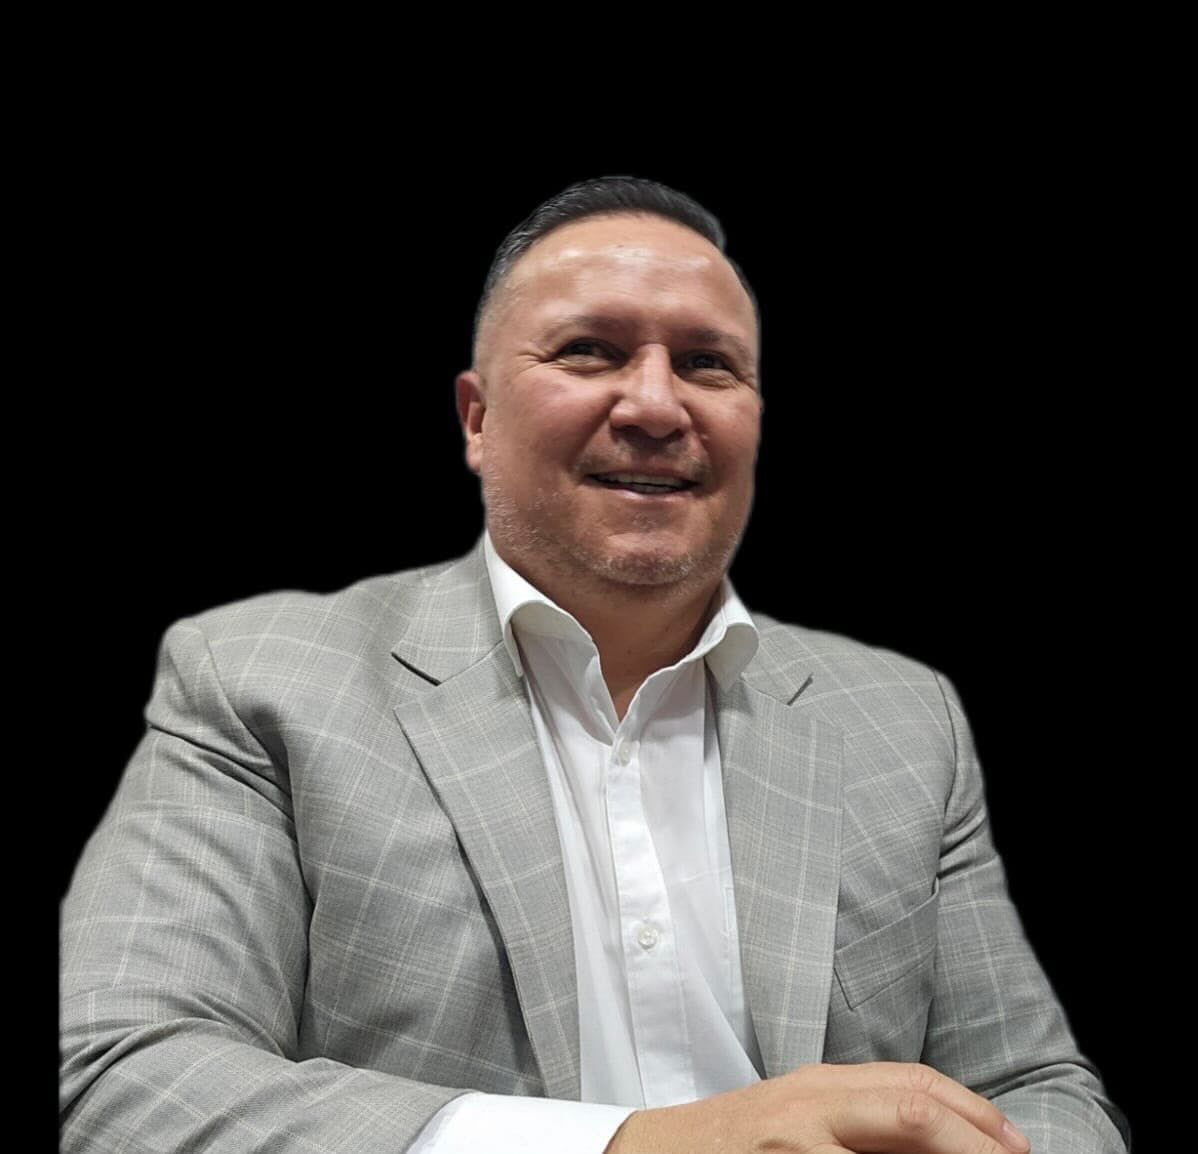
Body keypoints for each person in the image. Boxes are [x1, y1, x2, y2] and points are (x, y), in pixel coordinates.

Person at [59, 176, 1129, 1153]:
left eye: (707, 364)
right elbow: (124, 1077)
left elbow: (1037, 1087)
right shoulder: (260, 679)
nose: (657, 406)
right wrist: (635, 1146)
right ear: (477, 418)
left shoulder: (903, 719)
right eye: (589, 351)